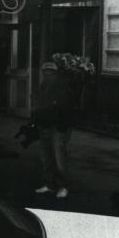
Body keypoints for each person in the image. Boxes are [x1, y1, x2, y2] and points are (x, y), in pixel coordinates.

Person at [32, 61, 75, 199]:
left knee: (59, 157)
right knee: (46, 158)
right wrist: (36, 122)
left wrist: (62, 126)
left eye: (51, 72)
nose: (48, 74)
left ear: (56, 74)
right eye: (45, 72)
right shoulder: (42, 87)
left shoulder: (63, 88)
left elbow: (67, 108)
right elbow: (38, 106)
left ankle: (63, 186)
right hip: (45, 125)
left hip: (58, 127)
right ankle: (49, 184)